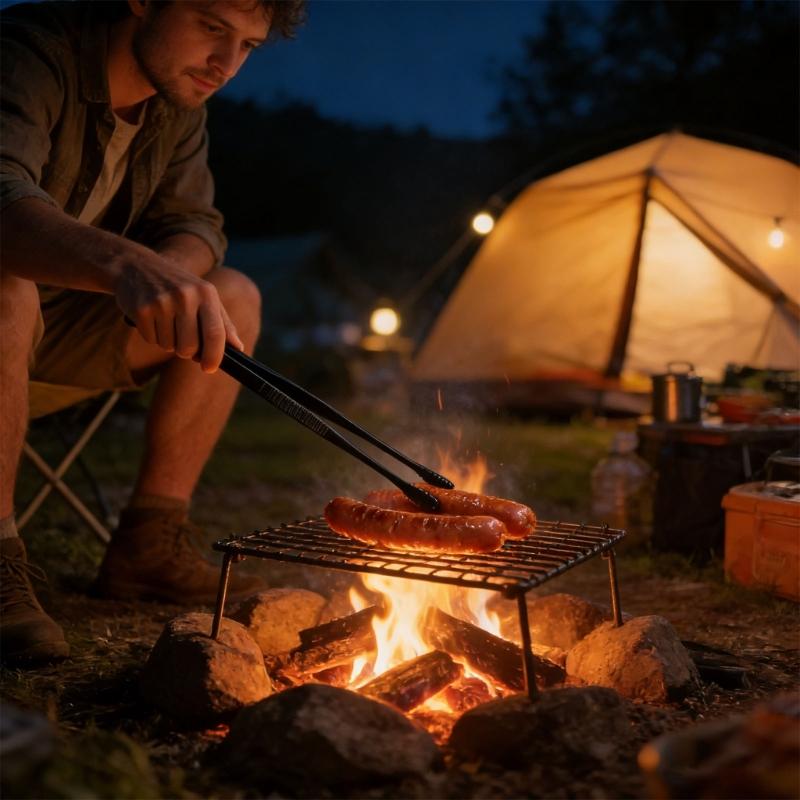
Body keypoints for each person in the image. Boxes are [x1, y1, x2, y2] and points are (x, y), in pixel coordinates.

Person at [0, 0, 305, 666]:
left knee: (232, 295)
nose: (225, 65)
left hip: (59, 332)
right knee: (6, 282)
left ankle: (148, 542)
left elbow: (197, 224)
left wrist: (175, 279)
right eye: (211, 27)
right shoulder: (32, 51)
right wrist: (126, 265)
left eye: (249, 45)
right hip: (6, 305)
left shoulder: (178, 107)